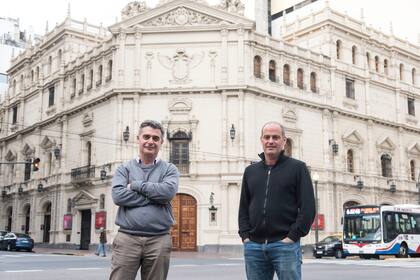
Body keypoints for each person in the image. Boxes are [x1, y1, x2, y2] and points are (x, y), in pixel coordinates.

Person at [238, 121, 316, 280]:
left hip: (284, 245)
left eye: (275, 137)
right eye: (267, 137)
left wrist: (292, 236)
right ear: (261, 140)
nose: (271, 141)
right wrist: (245, 236)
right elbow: (244, 207)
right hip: (254, 246)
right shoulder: (250, 171)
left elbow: (308, 207)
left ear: (284, 141)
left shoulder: (297, 168)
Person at [110, 120, 179, 280]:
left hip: (159, 240)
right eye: (146, 137)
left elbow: (167, 193)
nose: (150, 141)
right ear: (138, 139)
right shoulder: (124, 169)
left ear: (162, 142)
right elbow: (118, 196)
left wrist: (135, 185)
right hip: (127, 238)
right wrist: (156, 197)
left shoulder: (169, 169)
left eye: (155, 138)